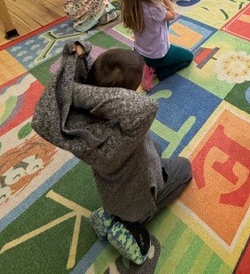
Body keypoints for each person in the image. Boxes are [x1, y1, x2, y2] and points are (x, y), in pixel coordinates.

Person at [32, 42, 192, 266]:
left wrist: (70, 89)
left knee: (155, 147)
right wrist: (75, 89)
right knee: (185, 168)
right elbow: (143, 106)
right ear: (122, 95)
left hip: (111, 190)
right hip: (141, 193)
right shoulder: (133, 122)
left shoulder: (82, 127)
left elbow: (95, 82)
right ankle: (131, 225)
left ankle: (112, 215)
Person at [121, 0, 194, 81]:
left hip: (139, 51)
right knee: (188, 57)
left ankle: (148, 65)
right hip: (156, 55)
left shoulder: (130, 2)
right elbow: (171, 15)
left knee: (162, 23)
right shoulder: (153, 8)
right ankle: (157, 71)